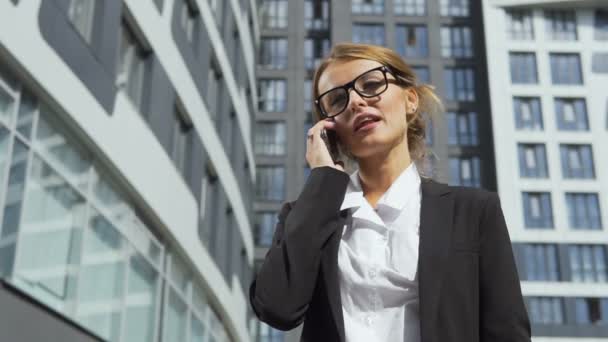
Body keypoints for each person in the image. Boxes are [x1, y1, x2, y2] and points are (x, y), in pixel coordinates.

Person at [249, 43, 531, 342]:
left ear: (410, 100)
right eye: (336, 100)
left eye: (371, 84)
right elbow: (277, 308)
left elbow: (507, 333)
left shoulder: (473, 211)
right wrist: (324, 179)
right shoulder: (307, 215)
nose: (356, 101)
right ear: (328, 127)